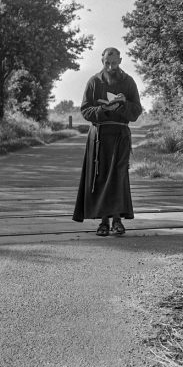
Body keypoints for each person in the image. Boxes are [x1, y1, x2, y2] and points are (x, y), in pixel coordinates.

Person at [72, 47, 142, 236]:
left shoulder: (128, 82)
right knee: (100, 177)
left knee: (118, 177)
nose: (110, 66)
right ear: (101, 60)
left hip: (120, 135)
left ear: (120, 60)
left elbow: (136, 111)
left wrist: (123, 105)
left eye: (114, 62)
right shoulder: (94, 82)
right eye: (107, 63)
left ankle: (117, 221)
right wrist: (102, 110)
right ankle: (103, 222)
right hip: (99, 137)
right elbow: (85, 110)